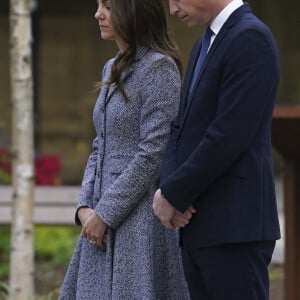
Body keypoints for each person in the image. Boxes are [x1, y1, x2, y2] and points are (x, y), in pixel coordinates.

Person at [58, 0, 191, 299]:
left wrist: (105, 213)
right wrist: (85, 207)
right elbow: (99, 144)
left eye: (107, 6)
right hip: (100, 219)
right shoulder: (112, 66)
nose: (98, 14)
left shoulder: (159, 68)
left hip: (139, 220)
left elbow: (153, 153)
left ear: (133, 11)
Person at [153, 0, 281, 299]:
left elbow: (229, 135)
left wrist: (175, 193)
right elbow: (180, 127)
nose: (172, 9)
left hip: (234, 228)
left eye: (175, 0)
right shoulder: (203, 45)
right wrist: (168, 189)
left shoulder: (252, 38)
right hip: (198, 226)